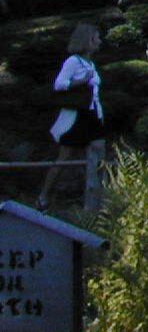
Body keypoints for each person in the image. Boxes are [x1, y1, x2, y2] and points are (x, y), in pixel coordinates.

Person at [38, 22, 107, 210]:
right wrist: (81, 80)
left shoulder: (90, 63)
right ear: (87, 40)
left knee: (98, 150)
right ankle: (44, 196)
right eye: (96, 38)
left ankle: (95, 199)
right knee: (65, 155)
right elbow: (59, 84)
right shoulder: (73, 61)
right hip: (78, 115)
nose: (99, 41)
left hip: (92, 114)